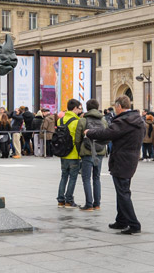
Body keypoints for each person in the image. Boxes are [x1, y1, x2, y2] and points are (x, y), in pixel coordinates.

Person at [84, 94, 146, 235]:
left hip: (121, 159)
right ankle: (121, 220)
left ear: (118, 106)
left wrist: (90, 132)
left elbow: (107, 133)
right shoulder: (138, 120)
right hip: (131, 158)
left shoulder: (124, 121)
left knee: (123, 192)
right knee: (122, 190)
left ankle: (134, 224)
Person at [74, 98, 108, 211]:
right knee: (97, 177)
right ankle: (97, 204)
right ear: (97, 107)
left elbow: (77, 138)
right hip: (100, 152)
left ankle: (89, 204)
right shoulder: (103, 120)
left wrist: (81, 150)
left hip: (87, 152)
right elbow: (108, 136)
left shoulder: (83, 120)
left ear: (87, 108)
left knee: (86, 178)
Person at [56, 99, 82, 208]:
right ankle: (69, 200)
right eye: (79, 108)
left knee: (64, 176)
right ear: (75, 108)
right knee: (72, 178)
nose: (80, 111)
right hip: (74, 153)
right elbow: (78, 139)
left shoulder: (60, 121)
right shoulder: (76, 122)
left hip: (63, 153)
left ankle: (61, 200)